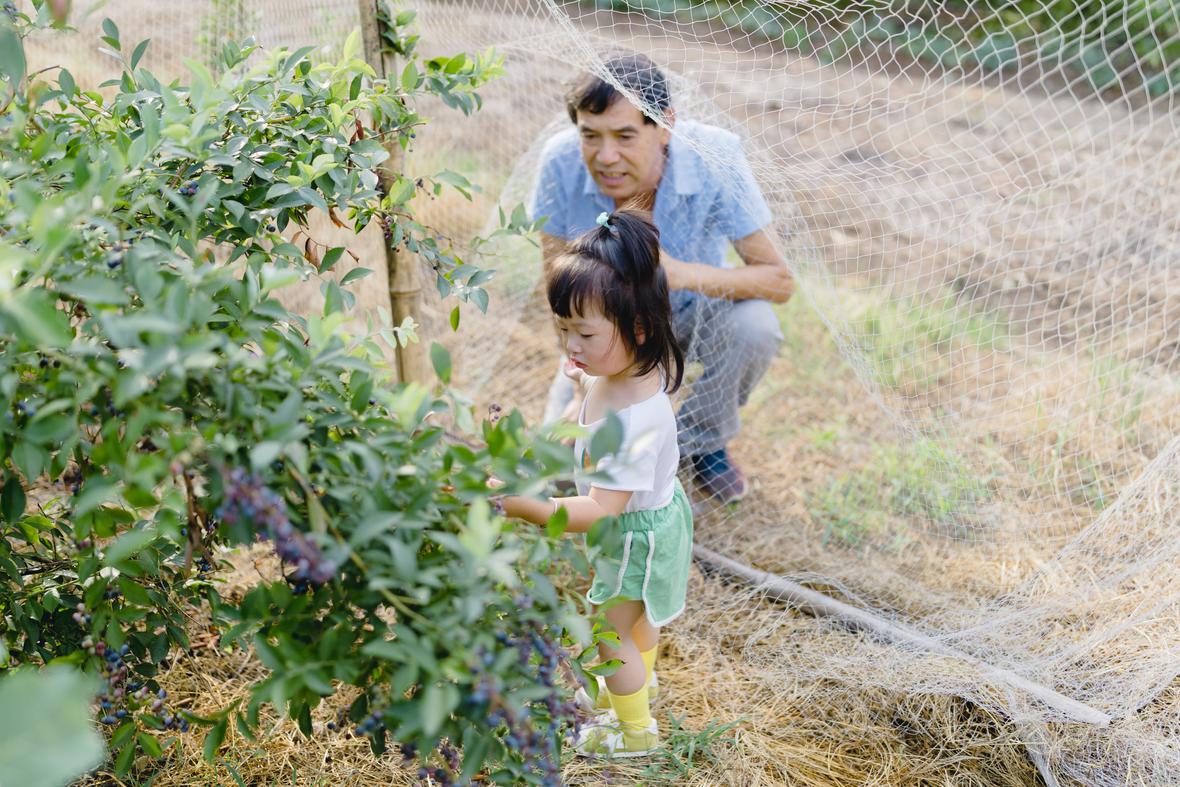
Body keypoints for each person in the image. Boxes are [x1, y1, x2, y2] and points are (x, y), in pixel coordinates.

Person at [531, 52, 794, 505]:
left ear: (665, 125)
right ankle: (605, 431)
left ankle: (700, 441)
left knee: (756, 327)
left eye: (625, 136)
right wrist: (580, 388)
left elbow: (779, 280)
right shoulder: (559, 163)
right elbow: (559, 296)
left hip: (691, 316)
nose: (606, 156)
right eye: (590, 136)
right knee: (552, 475)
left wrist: (681, 274)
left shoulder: (714, 156)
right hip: (603, 334)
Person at [497, 210, 691, 758]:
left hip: (632, 535)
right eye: (563, 329)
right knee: (635, 622)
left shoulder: (635, 425)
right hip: (649, 524)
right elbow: (590, 413)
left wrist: (530, 507)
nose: (570, 345)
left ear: (639, 328)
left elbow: (602, 511)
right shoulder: (624, 372)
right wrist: (583, 384)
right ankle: (634, 687)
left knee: (610, 632)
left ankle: (634, 730)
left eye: (584, 334)